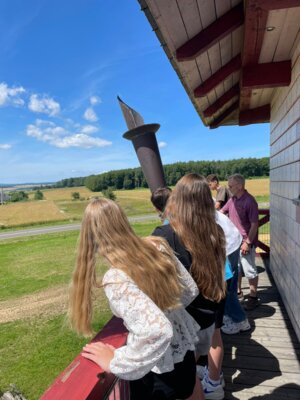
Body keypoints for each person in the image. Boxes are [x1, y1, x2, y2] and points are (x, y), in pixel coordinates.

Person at [69, 198, 204, 400]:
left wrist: (116, 362)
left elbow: (159, 330)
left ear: (90, 236)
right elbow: (190, 291)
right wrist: (166, 309)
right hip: (183, 360)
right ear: (121, 220)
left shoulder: (116, 277)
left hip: (157, 373)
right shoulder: (156, 246)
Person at [152, 174, 227, 400]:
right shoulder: (217, 231)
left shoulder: (163, 235)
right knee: (190, 380)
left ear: (177, 199)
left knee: (182, 386)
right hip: (208, 318)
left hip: (182, 325)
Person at [221, 174, 259, 311]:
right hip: (234, 242)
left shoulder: (250, 201)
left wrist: (247, 243)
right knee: (235, 269)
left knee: (249, 270)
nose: (228, 188)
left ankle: (253, 297)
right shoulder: (232, 199)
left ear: (240, 186)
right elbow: (221, 211)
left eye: (230, 186)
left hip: (245, 242)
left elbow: (255, 224)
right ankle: (238, 292)